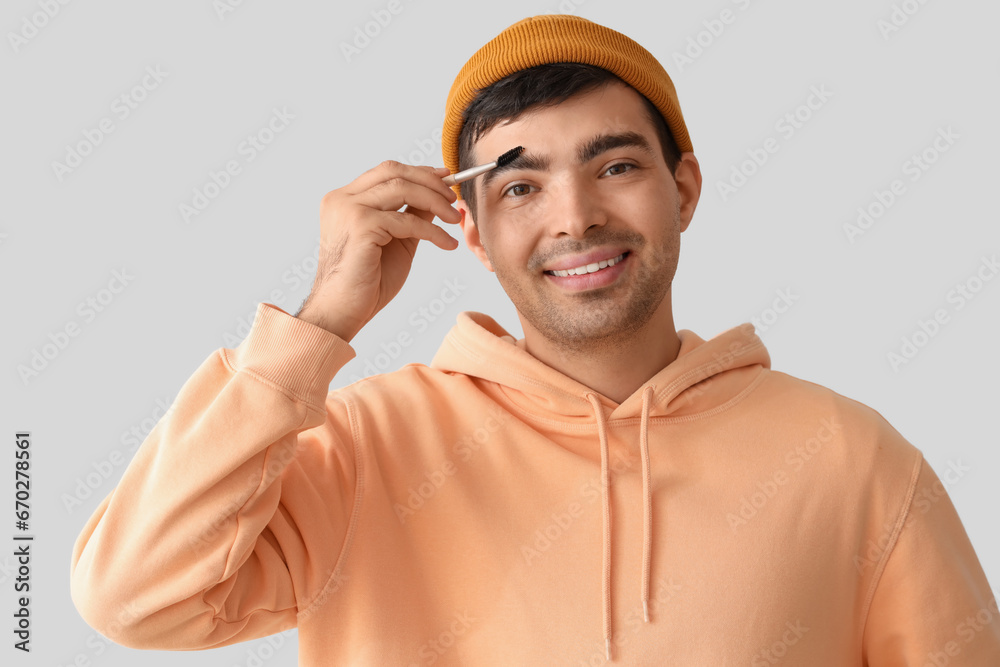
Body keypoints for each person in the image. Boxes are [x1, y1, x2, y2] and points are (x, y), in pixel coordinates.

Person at [70, 14, 999, 665]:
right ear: (467, 228)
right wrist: (317, 325)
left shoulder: (853, 458)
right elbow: (131, 598)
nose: (576, 217)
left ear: (684, 190)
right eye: (520, 186)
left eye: (617, 165)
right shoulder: (358, 450)